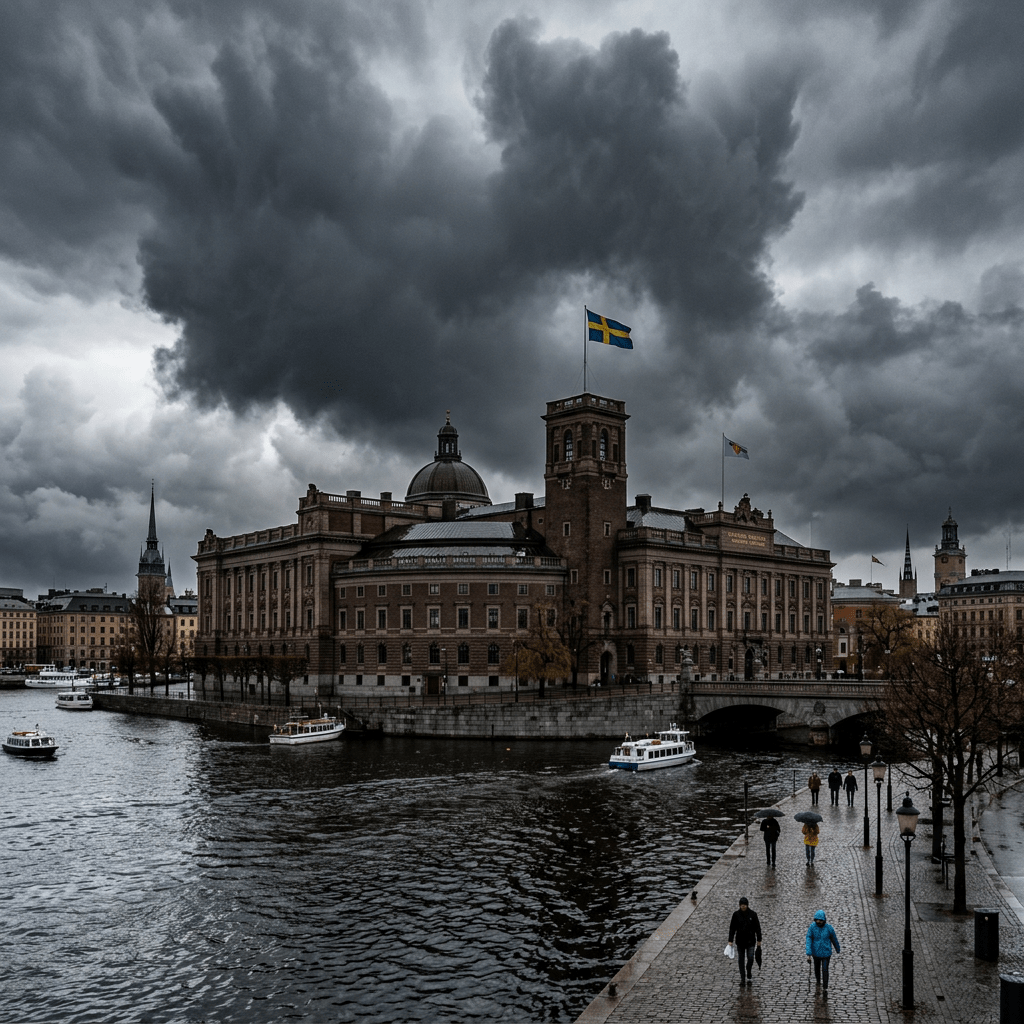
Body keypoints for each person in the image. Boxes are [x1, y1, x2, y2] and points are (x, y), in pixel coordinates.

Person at [805, 909, 841, 995]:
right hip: (816, 953)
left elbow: (833, 939)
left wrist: (837, 948)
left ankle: (825, 986)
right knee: (817, 968)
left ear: (824, 920)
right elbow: (808, 939)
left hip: (826, 953)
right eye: (817, 920)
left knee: (825, 969)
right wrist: (809, 952)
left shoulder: (829, 928)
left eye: (820, 920)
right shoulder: (812, 928)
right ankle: (818, 980)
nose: (818, 921)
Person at [727, 897, 762, 985]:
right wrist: (730, 940)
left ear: (747, 905)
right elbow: (732, 928)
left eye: (744, 905)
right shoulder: (736, 915)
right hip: (740, 942)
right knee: (741, 960)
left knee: (750, 958)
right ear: (739, 905)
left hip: (751, 941)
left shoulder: (753, 915)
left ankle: (748, 970)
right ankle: (743, 978)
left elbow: (757, 928)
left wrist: (759, 940)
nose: (743, 907)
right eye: (742, 905)